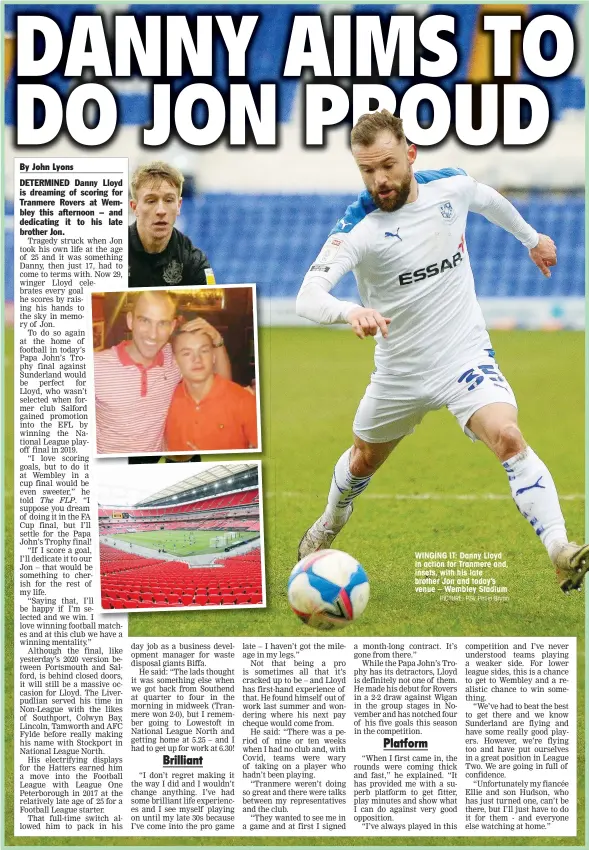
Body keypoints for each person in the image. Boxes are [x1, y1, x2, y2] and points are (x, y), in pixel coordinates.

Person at [296, 109, 588, 594]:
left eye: (388, 165)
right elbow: (309, 295)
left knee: (508, 436)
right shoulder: (359, 228)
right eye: (367, 170)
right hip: (400, 372)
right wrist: (349, 311)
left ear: (410, 154)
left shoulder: (450, 187)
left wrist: (532, 240)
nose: (379, 180)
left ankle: (559, 549)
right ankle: (330, 520)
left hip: (463, 356)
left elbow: (489, 199)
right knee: (363, 459)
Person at [94, 290, 230, 455]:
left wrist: (217, 340)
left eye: (162, 323)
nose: (153, 334)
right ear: (130, 321)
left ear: (172, 326)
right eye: (145, 320)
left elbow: (223, 388)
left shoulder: (173, 362)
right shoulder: (97, 366)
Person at [165, 327, 258, 451]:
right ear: (175, 361)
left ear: (214, 357)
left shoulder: (243, 400)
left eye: (204, 351)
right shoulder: (167, 400)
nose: (197, 359)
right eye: (187, 353)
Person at [129, 161, 215, 288]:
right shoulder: (111, 254)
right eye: (151, 201)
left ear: (179, 205)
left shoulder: (194, 261)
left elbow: (211, 305)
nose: (161, 211)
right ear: (134, 207)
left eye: (169, 200)